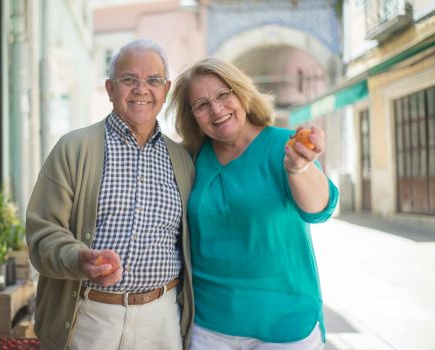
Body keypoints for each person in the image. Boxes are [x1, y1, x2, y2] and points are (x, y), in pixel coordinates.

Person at [26, 39, 195, 350]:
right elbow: (42, 232)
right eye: (129, 79)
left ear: (166, 89)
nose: (142, 89)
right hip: (90, 316)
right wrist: (79, 259)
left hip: (162, 319)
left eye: (154, 80)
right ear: (109, 89)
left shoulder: (182, 160)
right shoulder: (74, 148)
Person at [167, 57, 338, 350]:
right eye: (202, 105)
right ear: (192, 115)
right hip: (209, 326)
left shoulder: (285, 145)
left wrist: (299, 168)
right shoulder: (191, 160)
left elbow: (319, 209)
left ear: (241, 92)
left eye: (223, 95)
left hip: (285, 325)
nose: (217, 110)